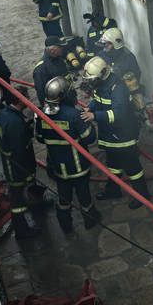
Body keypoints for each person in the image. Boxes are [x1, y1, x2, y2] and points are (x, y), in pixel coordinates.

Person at [80, 56, 150, 209]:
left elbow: (118, 114)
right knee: (112, 164)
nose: (90, 82)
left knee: (132, 168)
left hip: (123, 136)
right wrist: (90, 108)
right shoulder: (102, 84)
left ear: (103, 74)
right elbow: (98, 99)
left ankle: (143, 195)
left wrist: (95, 116)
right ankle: (113, 190)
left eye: (92, 78)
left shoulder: (117, 88)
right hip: (111, 135)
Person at [35, 76, 101, 233]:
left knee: (64, 197)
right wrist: (88, 122)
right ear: (64, 95)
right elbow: (90, 138)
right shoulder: (73, 115)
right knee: (84, 194)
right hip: (78, 167)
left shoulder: (41, 115)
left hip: (58, 167)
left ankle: (65, 224)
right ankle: (90, 220)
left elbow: (40, 138)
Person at [0, 85, 42, 239]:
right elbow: (19, 150)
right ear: (20, 99)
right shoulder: (14, 123)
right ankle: (22, 231)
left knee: (20, 193)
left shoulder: (5, 114)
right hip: (16, 167)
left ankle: (36, 203)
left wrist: (25, 128)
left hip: (12, 162)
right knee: (17, 199)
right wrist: (27, 174)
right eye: (26, 96)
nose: (29, 99)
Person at [32, 36, 70, 106]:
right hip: (58, 105)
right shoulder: (41, 70)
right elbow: (42, 95)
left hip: (67, 98)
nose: (62, 49)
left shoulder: (58, 58)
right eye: (60, 47)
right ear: (52, 50)